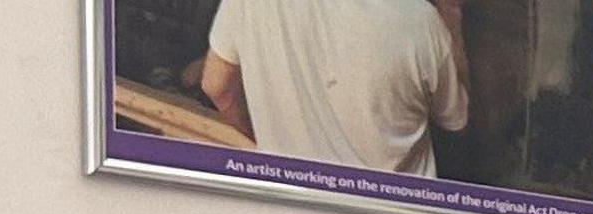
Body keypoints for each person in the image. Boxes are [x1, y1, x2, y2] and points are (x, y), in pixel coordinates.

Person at [199, 0, 469, 177]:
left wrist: (273, 142)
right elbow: (456, 118)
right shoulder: (420, 23)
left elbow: (217, 87)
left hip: (294, 212)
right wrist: (452, 16)